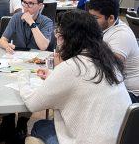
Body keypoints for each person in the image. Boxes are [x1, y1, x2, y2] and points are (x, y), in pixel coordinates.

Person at [19, 10, 131, 144]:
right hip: (119, 136)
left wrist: (23, 76)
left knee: (40, 126)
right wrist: (55, 75)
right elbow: (81, 85)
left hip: (89, 139)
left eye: (59, 35)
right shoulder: (108, 60)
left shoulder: (72, 66)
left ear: (65, 38)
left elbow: (32, 103)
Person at [88, 0, 139, 103]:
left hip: (130, 93)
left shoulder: (121, 35)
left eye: (95, 18)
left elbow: (109, 68)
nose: (90, 21)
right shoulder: (102, 28)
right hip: (115, 86)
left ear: (111, 18)